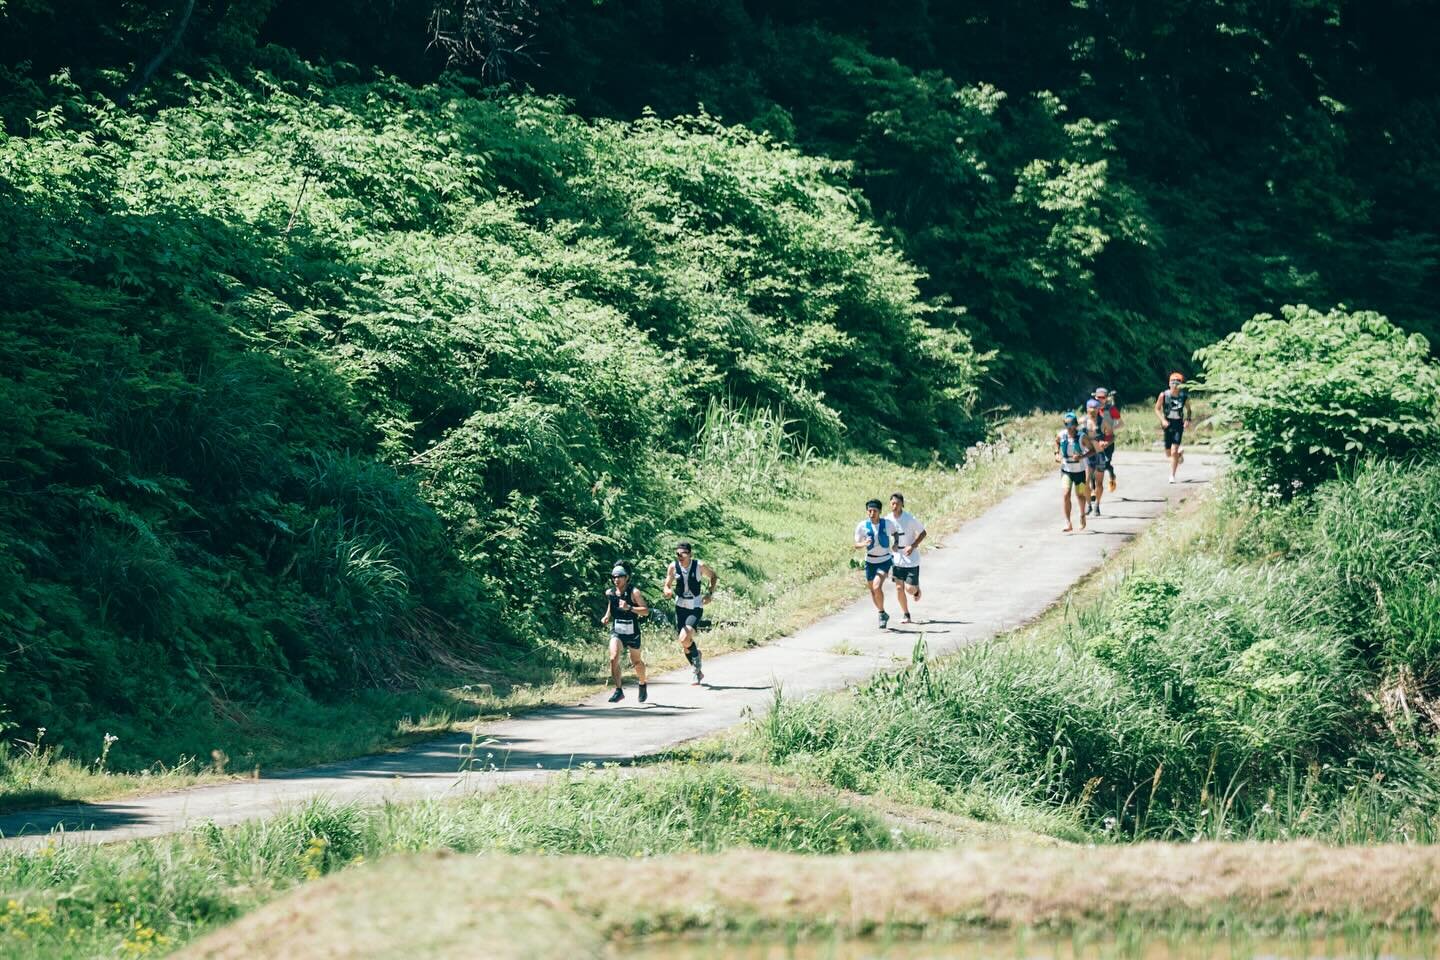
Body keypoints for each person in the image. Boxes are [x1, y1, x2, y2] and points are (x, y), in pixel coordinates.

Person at [663, 541, 716, 685]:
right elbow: (667, 584)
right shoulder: (673, 567)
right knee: (684, 643)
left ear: (690, 554)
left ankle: (696, 666)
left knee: (685, 637)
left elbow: (713, 576)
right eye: (678, 554)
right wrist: (667, 590)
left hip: (695, 606)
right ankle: (696, 667)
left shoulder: (699, 566)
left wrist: (709, 593)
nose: (680, 556)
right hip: (680, 606)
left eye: (683, 554)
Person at [601, 563, 649, 703]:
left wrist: (629, 607)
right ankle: (618, 690)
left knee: (636, 662)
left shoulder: (634, 592)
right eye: (614, 577)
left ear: (626, 578)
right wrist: (607, 616)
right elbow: (612, 604)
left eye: (620, 577)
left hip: (632, 631)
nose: (616, 580)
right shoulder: (610, 592)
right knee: (613, 657)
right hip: (617, 631)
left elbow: (645, 611)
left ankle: (642, 683)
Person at [854, 499, 900, 628]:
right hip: (870, 562)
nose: (872, 513)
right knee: (873, 592)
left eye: (874, 511)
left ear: (880, 511)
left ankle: (881, 614)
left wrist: (896, 543)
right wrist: (864, 543)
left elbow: (895, 533)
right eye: (869, 510)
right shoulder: (862, 525)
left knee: (876, 587)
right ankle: (882, 613)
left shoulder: (887, 523)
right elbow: (856, 544)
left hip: (884, 560)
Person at [887, 492, 927, 624]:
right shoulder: (888, 519)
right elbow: (889, 534)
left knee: (909, 589)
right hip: (897, 558)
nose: (895, 506)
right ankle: (906, 614)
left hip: (911, 558)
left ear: (902, 504)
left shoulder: (909, 518)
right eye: (893, 503)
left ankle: (916, 589)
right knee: (899, 588)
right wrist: (893, 545)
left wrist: (913, 546)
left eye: (897, 503)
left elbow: (923, 532)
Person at [1054, 413, 1095, 533]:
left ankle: (1082, 515)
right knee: (1066, 494)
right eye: (1067, 425)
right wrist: (1056, 454)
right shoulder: (1062, 435)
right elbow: (1056, 442)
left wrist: (1082, 456)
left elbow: (1092, 450)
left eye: (1071, 425)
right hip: (1066, 470)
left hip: (1080, 472)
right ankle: (1068, 522)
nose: (1069, 428)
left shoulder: (1082, 437)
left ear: (1076, 425)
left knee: (1080, 495)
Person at [1154, 372, 1192, 484]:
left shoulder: (1184, 397)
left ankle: (1172, 475)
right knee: (1168, 453)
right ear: (1169, 383)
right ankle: (1178, 455)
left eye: (1177, 383)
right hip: (1167, 424)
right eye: (1173, 382)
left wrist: (1188, 420)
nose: (1175, 385)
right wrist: (1163, 420)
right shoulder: (1164, 395)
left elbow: (1189, 410)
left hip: (1178, 424)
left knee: (1174, 450)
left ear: (1181, 384)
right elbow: (1157, 409)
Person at [1083, 400, 1114, 516]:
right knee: (1085, 482)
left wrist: (1106, 442)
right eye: (1090, 408)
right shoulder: (1082, 422)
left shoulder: (1104, 422)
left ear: (1098, 409)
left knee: (1099, 483)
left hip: (1100, 455)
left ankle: (1097, 505)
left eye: (1095, 408)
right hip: (1087, 455)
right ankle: (1088, 505)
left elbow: (1111, 437)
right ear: (1087, 409)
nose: (1092, 411)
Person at [1093, 387, 1122, 492]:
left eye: (1103, 397)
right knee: (1093, 465)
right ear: (1095, 397)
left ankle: (1112, 475)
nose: (1100, 399)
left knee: (1105, 464)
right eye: (1098, 397)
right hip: (1096, 441)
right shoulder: (1092, 408)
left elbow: (1120, 423)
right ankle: (1093, 489)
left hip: (1108, 441)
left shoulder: (1111, 409)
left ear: (1106, 398)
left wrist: (1111, 427)